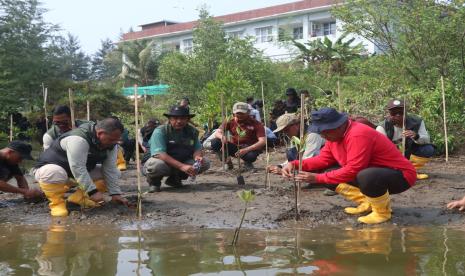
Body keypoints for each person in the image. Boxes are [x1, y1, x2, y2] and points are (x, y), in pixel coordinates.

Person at [281, 107, 417, 224]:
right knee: (327, 172)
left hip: (401, 176)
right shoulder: (333, 137)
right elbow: (322, 159)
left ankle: (382, 212)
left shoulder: (357, 134)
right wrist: (294, 164)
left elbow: (354, 169)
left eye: (325, 131)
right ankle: (367, 202)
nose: (323, 135)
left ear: (339, 126)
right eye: (321, 132)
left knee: (365, 176)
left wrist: (317, 178)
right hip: (375, 172)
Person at [33, 118, 129, 217]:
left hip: (75, 174)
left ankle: (79, 198)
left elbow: (110, 169)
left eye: (116, 140)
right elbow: (78, 168)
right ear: (100, 133)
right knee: (53, 172)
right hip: (51, 170)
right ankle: (57, 204)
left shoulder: (111, 145)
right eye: (112, 139)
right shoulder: (78, 139)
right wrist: (93, 192)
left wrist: (115, 194)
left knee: (116, 173)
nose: (114, 143)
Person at [143, 106, 210, 193]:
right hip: (162, 161)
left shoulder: (192, 131)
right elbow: (159, 154)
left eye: (182, 118)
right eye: (175, 118)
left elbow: (197, 148)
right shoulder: (160, 131)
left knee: (204, 163)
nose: (179, 121)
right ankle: (154, 182)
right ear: (170, 119)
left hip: (181, 161)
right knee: (156, 165)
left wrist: (197, 157)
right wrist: (182, 166)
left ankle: (175, 178)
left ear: (187, 119)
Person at [376, 99, 435, 179]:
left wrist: (416, 136)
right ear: (389, 114)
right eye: (393, 113)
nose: (398, 115)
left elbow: (427, 140)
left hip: (410, 151)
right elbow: (380, 150)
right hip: (392, 155)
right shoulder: (382, 127)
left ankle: (412, 170)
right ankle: (396, 171)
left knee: (428, 149)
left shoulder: (417, 122)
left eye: (401, 112)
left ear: (406, 112)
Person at [211, 102, 266, 170]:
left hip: (248, 148)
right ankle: (227, 162)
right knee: (215, 142)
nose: (240, 115)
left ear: (248, 112)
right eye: (237, 113)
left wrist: (246, 150)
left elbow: (263, 141)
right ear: (233, 113)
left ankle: (247, 163)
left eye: (242, 113)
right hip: (235, 147)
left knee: (251, 156)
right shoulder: (229, 121)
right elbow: (217, 132)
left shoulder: (256, 123)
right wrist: (222, 137)